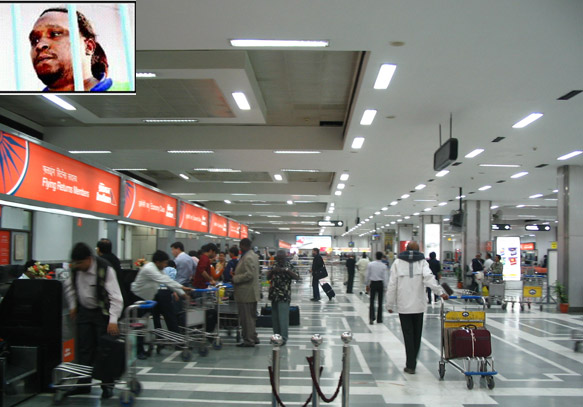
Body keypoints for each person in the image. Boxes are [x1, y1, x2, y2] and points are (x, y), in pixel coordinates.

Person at [63, 242, 123, 399]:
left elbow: (115, 296)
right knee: (84, 349)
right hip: (84, 312)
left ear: (89, 259)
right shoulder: (76, 268)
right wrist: (72, 305)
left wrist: (113, 319)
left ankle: (107, 385)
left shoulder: (105, 268)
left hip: (102, 312)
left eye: (80, 262)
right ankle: (83, 384)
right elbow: (69, 287)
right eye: (75, 263)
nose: (77, 266)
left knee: (104, 350)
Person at [28, 8, 130, 92]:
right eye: (34, 40)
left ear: (88, 47)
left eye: (55, 34)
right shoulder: (29, 106)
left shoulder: (129, 89)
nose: (39, 45)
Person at [386, 242, 448, 374]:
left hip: (403, 306)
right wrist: (440, 292)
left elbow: (392, 284)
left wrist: (389, 304)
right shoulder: (422, 262)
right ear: (419, 250)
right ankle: (412, 361)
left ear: (405, 249)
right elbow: (429, 279)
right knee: (417, 335)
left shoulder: (397, 262)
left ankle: (410, 364)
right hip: (419, 305)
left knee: (408, 335)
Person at [131, 251, 190, 359]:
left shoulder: (159, 269)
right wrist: (182, 288)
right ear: (157, 262)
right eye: (164, 263)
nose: (165, 265)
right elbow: (164, 280)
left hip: (148, 298)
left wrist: (182, 294)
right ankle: (138, 351)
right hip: (138, 297)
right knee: (139, 325)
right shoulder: (150, 269)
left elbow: (168, 281)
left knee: (144, 324)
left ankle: (146, 347)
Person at [266, 250, 299, 345]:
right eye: (278, 258)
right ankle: (276, 336)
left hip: (284, 295)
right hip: (274, 295)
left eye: (281, 258)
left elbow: (297, 277)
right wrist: (272, 271)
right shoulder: (274, 265)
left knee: (283, 318)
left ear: (285, 257)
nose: (279, 260)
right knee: (275, 318)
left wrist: (286, 271)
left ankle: (283, 338)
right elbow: (267, 277)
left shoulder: (289, 265)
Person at [232, 238, 260, 347]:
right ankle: (253, 336)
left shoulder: (248, 257)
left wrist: (235, 278)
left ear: (244, 245)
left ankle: (248, 340)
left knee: (246, 318)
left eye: (240, 246)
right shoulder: (252, 255)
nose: (239, 249)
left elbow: (249, 275)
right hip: (251, 292)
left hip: (246, 293)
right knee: (251, 317)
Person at [96, 239, 128, 308]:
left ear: (98, 249)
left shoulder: (100, 261)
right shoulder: (115, 259)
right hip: (120, 295)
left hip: (109, 299)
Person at [365, 251, 389, 324]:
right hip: (380, 284)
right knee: (380, 302)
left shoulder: (370, 265)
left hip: (373, 283)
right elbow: (385, 277)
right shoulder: (383, 266)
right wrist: (385, 287)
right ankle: (379, 319)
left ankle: (371, 318)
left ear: (375, 256)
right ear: (381, 257)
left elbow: (367, 275)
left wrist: (367, 284)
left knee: (372, 301)